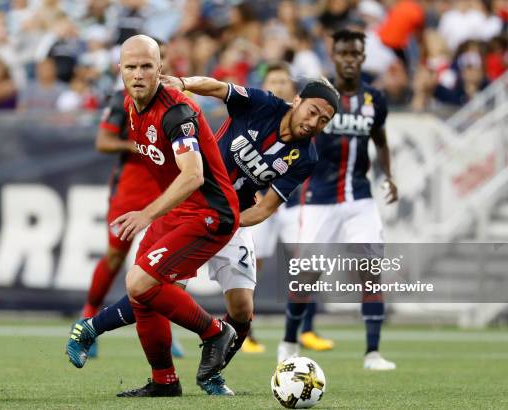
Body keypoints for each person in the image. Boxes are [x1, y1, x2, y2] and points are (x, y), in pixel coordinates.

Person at [66, 65, 340, 396]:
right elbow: (216, 87)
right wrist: (183, 83)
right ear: (297, 100)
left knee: (242, 310)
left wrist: (225, 224)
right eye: (312, 112)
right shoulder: (264, 104)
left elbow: (265, 208)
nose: (314, 123)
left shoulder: (306, 156)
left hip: (228, 218)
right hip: (193, 206)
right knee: (153, 288)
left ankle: (209, 373)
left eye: (323, 121)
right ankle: (162, 370)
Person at [68, 35, 240, 397]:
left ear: (160, 68)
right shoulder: (129, 105)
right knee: (141, 288)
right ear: (120, 71)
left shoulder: (178, 111)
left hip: (209, 212)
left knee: (140, 282)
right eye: (131, 67)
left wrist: (146, 213)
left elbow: (193, 175)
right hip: (178, 210)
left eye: (147, 66)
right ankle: (164, 380)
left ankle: (216, 332)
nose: (139, 74)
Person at [277, 29, 398, 371]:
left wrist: (388, 175)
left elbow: (381, 140)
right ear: (334, 55)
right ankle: (288, 341)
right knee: (307, 274)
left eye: (355, 53)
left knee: (371, 270)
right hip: (319, 197)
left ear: (362, 57)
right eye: (343, 53)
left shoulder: (375, 99)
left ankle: (372, 352)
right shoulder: (319, 96)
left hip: (360, 197)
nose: (349, 59)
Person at [245, 62, 334, 354]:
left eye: (284, 81)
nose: (279, 85)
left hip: (294, 202)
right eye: (274, 80)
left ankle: (304, 328)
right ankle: (246, 330)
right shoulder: (258, 111)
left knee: (307, 263)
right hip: (257, 199)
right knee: (250, 266)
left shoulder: (307, 124)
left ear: (294, 92)